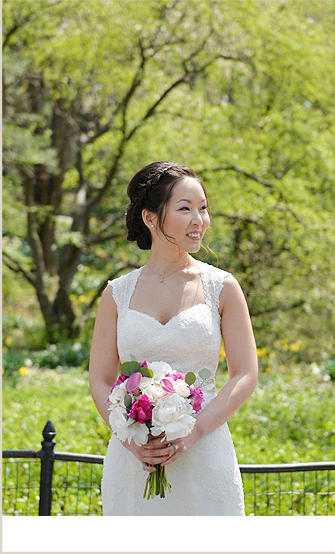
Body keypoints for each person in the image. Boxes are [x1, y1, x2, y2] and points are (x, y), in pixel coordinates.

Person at [88, 161, 258, 515]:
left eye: (203, 208)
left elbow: (245, 374)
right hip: (134, 457)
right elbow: (100, 379)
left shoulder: (223, 287)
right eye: (185, 209)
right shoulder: (117, 294)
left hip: (205, 453)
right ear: (150, 218)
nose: (199, 220)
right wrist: (130, 439)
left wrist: (195, 431)